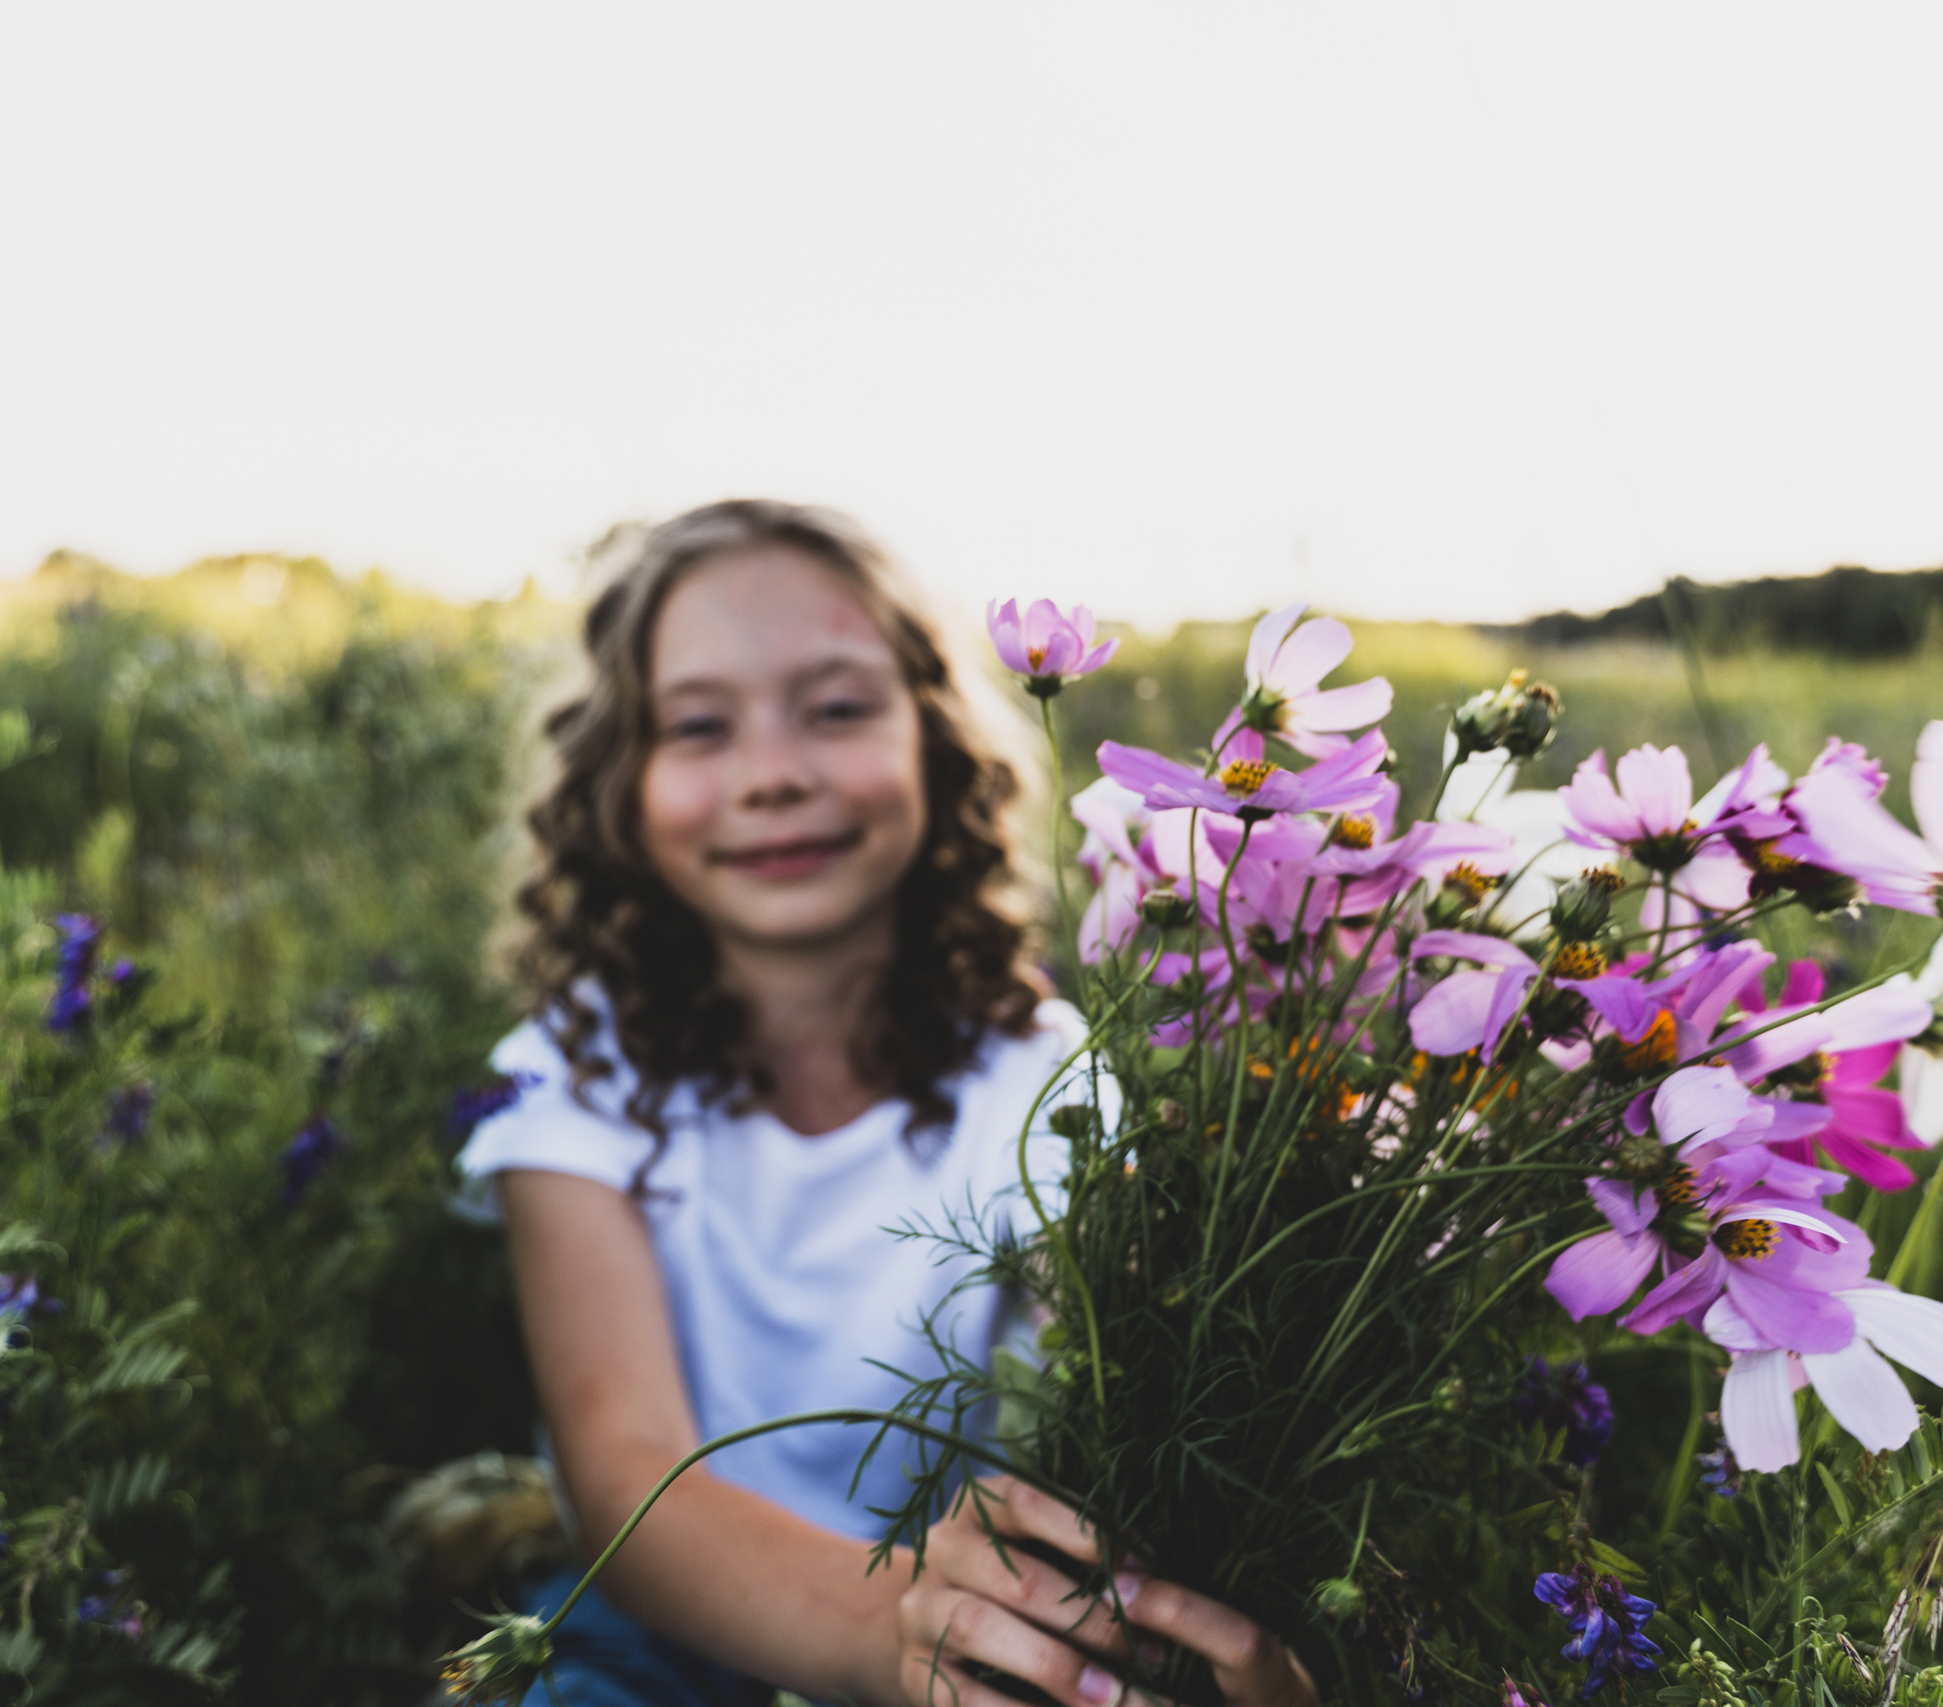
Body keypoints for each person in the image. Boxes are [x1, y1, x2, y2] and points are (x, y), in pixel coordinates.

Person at [456, 500, 1317, 1707]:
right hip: (659, 1621)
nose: (775, 773)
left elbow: (1106, 1415)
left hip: (988, 1628)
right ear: (618, 786)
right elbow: (623, 1473)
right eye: (698, 726)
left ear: (937, 743)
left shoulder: (1042, 1078)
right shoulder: (573, 1076)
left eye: (840, 707)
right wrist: (902, 1643)